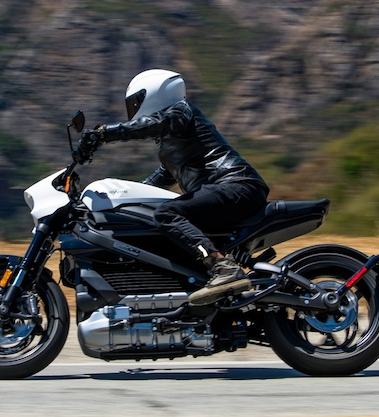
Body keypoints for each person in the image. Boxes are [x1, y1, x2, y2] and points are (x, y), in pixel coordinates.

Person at [80, 69, 269, 305]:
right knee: (150, 218)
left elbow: (157, 123)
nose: (133, 109)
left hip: (236, 185)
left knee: (167, 213)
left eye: (134, 102)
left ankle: (223, 268)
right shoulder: (174, 144)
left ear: (153, 94)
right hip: (228, 192)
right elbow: (150, 186)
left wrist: (103, 134)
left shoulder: (181, 112)